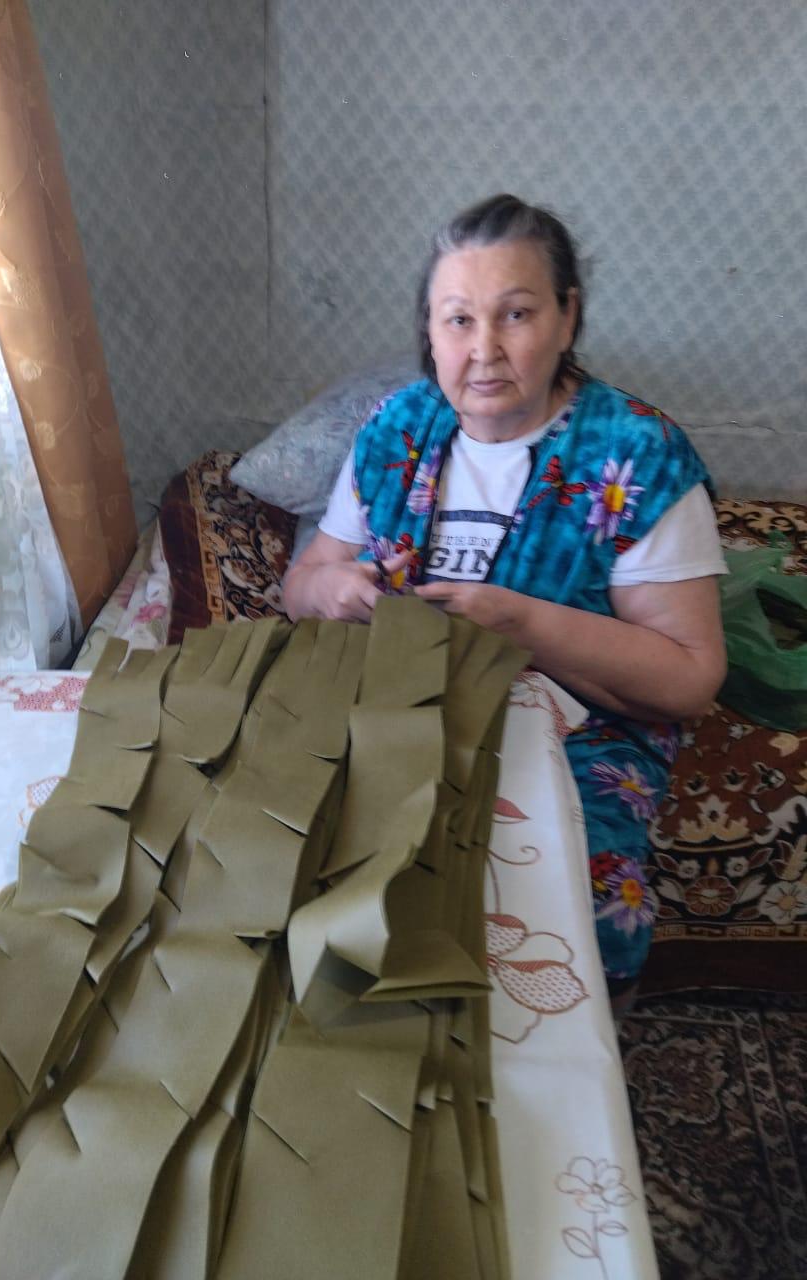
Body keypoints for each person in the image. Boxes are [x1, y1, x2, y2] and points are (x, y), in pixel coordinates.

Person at [283, 194, 727, 1008]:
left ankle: (564, 1069)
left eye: (515, 314)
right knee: (297, 852)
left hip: (583, 730)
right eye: (458, 320)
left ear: (567, 317)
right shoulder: (398, 428)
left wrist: (519, 620)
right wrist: (336, 590)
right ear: (429, 331)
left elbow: (689, 679)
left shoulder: (639, 454)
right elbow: (303, 582)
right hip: (403, 707)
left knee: (576, 903)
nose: (483, 350)